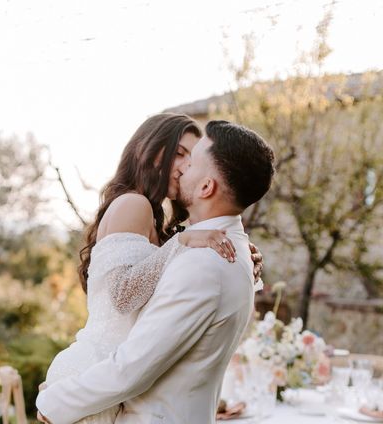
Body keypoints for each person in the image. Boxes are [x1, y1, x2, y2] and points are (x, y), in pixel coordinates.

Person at [39, 115, 266, 424]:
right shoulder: (137, 206)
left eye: (192, 157)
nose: (184, 165)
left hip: (108, 385)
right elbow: (122, 298)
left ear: (207, 186)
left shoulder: (189, 245)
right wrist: (181, 244)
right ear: (152, 150)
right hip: (96, 373)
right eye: (180, 153)